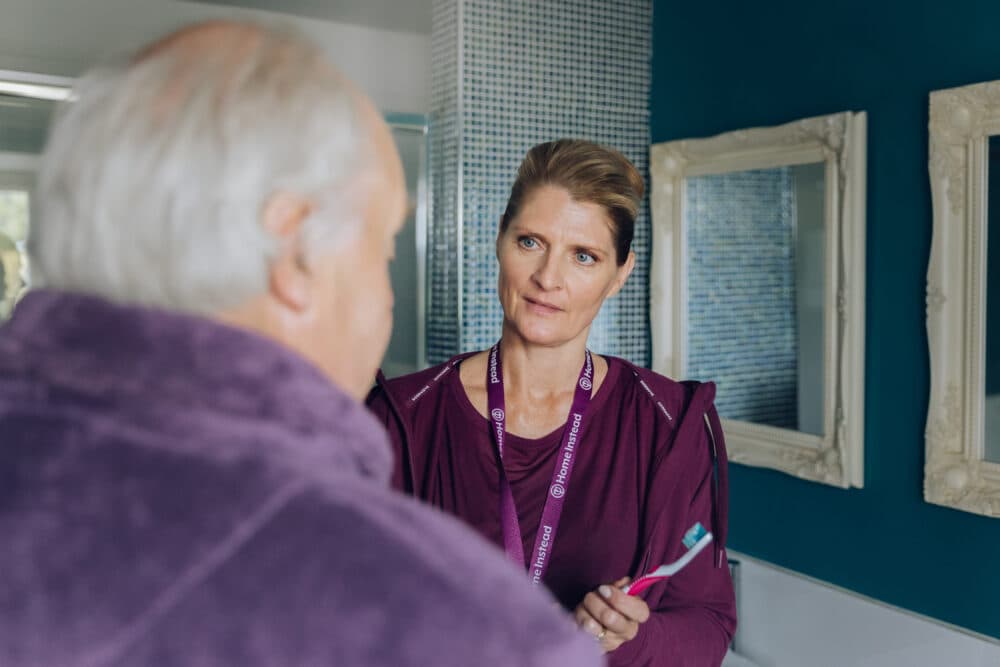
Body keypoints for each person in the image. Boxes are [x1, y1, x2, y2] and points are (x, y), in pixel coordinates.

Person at [0, 23, 602, 667]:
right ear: (295, 254)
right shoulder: (470, 632)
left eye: (583, 255)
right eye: (383, 249)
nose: (387, 301)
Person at [368, 139, 738, 666]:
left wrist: (625, 640)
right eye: (530, 242)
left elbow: (708, 623)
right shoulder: (403, 417)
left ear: (620, 274)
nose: (548, 278)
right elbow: (336, 611)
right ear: (500, 237)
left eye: (583, 256)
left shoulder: (667, 424)